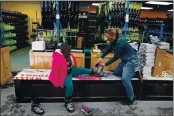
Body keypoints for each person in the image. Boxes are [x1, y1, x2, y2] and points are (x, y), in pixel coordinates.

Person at [49, 43, 100, 115]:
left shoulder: (69, 55)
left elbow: (73, 66)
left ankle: (93, 72)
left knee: (81, 69)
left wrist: (71, 63)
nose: (69, 52)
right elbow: (56, 68)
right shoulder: (58, 56)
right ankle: (68, 102)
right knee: (70, 86)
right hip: (63, 74)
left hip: (70, 70)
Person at [98, 28, 139, 105]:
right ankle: (132, 73)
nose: (107, 39)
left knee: (125, 79)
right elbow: (108, 49)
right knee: (116, 72)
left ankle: (131, 98)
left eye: (108, 37)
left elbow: (116, 57)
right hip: (124, 60)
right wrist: (101, 57)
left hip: (131, 61)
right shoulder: (113, 41)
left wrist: (105, 64)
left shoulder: (120, 42)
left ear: (113, 36)